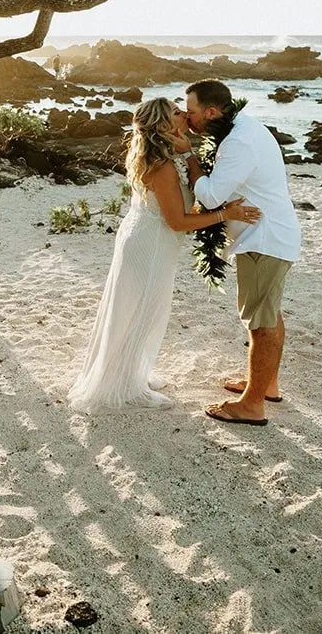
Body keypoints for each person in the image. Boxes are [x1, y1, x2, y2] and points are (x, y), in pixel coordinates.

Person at [67, 99, 261, 411]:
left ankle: (132, 372)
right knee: (144, 311)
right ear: (162, 125)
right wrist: (226, 213)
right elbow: (178, 221)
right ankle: (127, 387)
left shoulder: (166, 157)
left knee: (138, 308)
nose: (184, 112)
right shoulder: (163, 167)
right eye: (175, 111)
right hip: (152, 243)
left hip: (147, 237)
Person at [181, 79, 303, 427]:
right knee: (269, 316)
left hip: (263, 240)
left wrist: (189, 156)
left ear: (212, 112)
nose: (188, 120)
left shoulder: (237, 142)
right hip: (271, 236)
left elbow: (211, 195)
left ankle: (251, 405)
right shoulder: (245, 129)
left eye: (191, 113)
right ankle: (266, 385)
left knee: (261, 324)